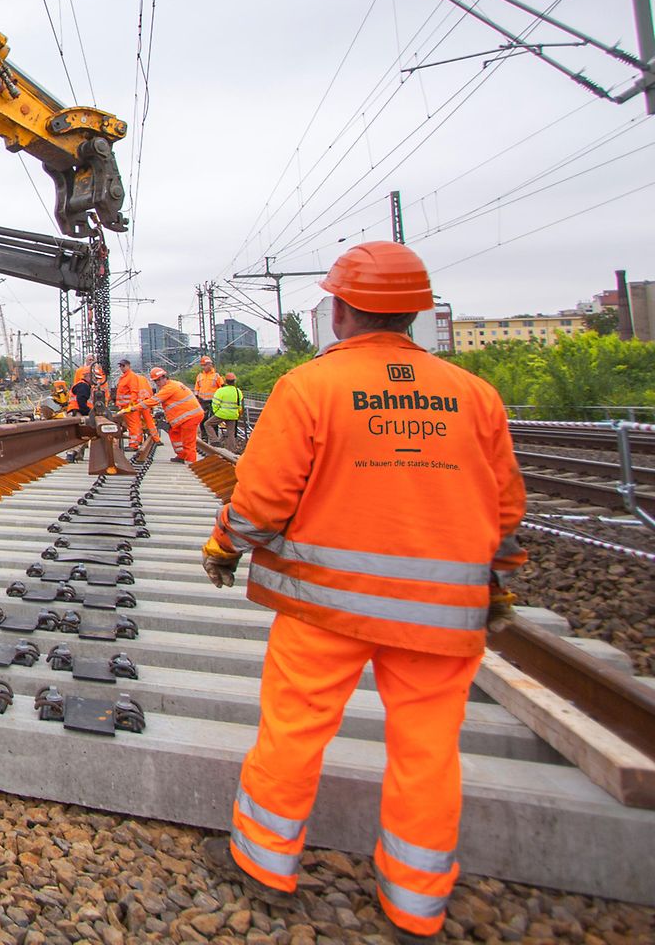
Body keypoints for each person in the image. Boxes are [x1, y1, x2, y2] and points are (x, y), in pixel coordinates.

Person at [196, 241, 527, 944]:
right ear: (415, 314)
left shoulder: (310, 387)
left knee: (294, 728)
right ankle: (416, 901)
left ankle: (265, 865)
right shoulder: (473, 394)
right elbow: (503, 507)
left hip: (326, 605)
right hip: (442, 613)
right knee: (430, 748)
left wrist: (226, 547)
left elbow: (261, 501)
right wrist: (496, 585)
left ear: (339, 311)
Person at [145, 366, 203, 462]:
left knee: (188, 442)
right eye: (156, 381)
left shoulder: (169, 388)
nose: (157, 383)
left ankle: (191, 463)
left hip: (189, 417)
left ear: (164, 377)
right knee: (174, 432)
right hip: (186, 417)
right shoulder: (173, 385)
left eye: (158, 380)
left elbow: (153, 401)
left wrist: (132, 408)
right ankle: (181, 455)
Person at [112, 359, 155, 449]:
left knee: (133, 425)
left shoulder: (131, 377)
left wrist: (132, 405)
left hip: (129, 406)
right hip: (125, 406)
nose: (121, 368)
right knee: (133, 424)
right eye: (120, 366)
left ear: (128, 366)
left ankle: (133, 444)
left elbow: (134, 391)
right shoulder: (124, 377)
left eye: (123, 366)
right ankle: (136, 441)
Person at [210, 372, 244, 446]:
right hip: (233, 415)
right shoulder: (238, 391)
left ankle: (215, 441)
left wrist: (216, 412)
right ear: (234, 381)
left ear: (225, 381)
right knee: (231, 433)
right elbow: (240, 406)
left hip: (221, 414)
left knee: (207, 424)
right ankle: (231, 450)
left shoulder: (221, 391)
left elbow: (215, 403)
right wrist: (238, 415)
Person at [194, 355, 224, 438]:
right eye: (203, 365)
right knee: (202, 419)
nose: (205, 367)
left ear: (210, 365)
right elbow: (197, 388)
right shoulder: (200, 376)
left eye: (206, 365)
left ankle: (215, 437)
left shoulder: (216, 376)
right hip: (202, 401)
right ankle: (204, 437)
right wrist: (197, 398)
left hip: (214, 401)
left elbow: (222, 388)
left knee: (213, 420)